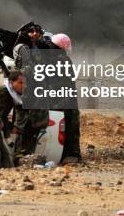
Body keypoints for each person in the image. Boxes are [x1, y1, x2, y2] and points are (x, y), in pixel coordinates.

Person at [12, 24, 50, 159]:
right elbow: (26, 68)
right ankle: (18, 154)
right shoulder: (22, 47)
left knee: (36, 123)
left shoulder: (36, 46)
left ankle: (28, 152)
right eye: (31, 32)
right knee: (22, 123)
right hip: (26, 88)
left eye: (37, 32)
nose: (34, 34)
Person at [50, 33, 81, 163]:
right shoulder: (63, 59)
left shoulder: (48, 58)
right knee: (71, 127)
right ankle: (72, 155)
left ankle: (59, 154)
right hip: (66, 99)